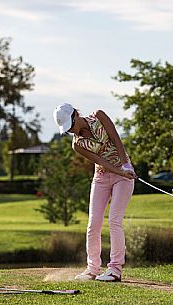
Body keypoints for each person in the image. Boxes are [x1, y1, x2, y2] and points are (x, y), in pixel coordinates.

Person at [53, 103, 137, 282]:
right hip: (101, 178)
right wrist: (119, 171)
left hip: (124, 175)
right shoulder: (77, 144)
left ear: (76, 115)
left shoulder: (99, 116)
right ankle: (92, 269)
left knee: (114, 221)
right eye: (67, 129)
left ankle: (115, 269)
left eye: (71, 125)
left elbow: (116, 140)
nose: (71, 131)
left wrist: (125, 165)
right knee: (93, 225)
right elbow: (99, 160)